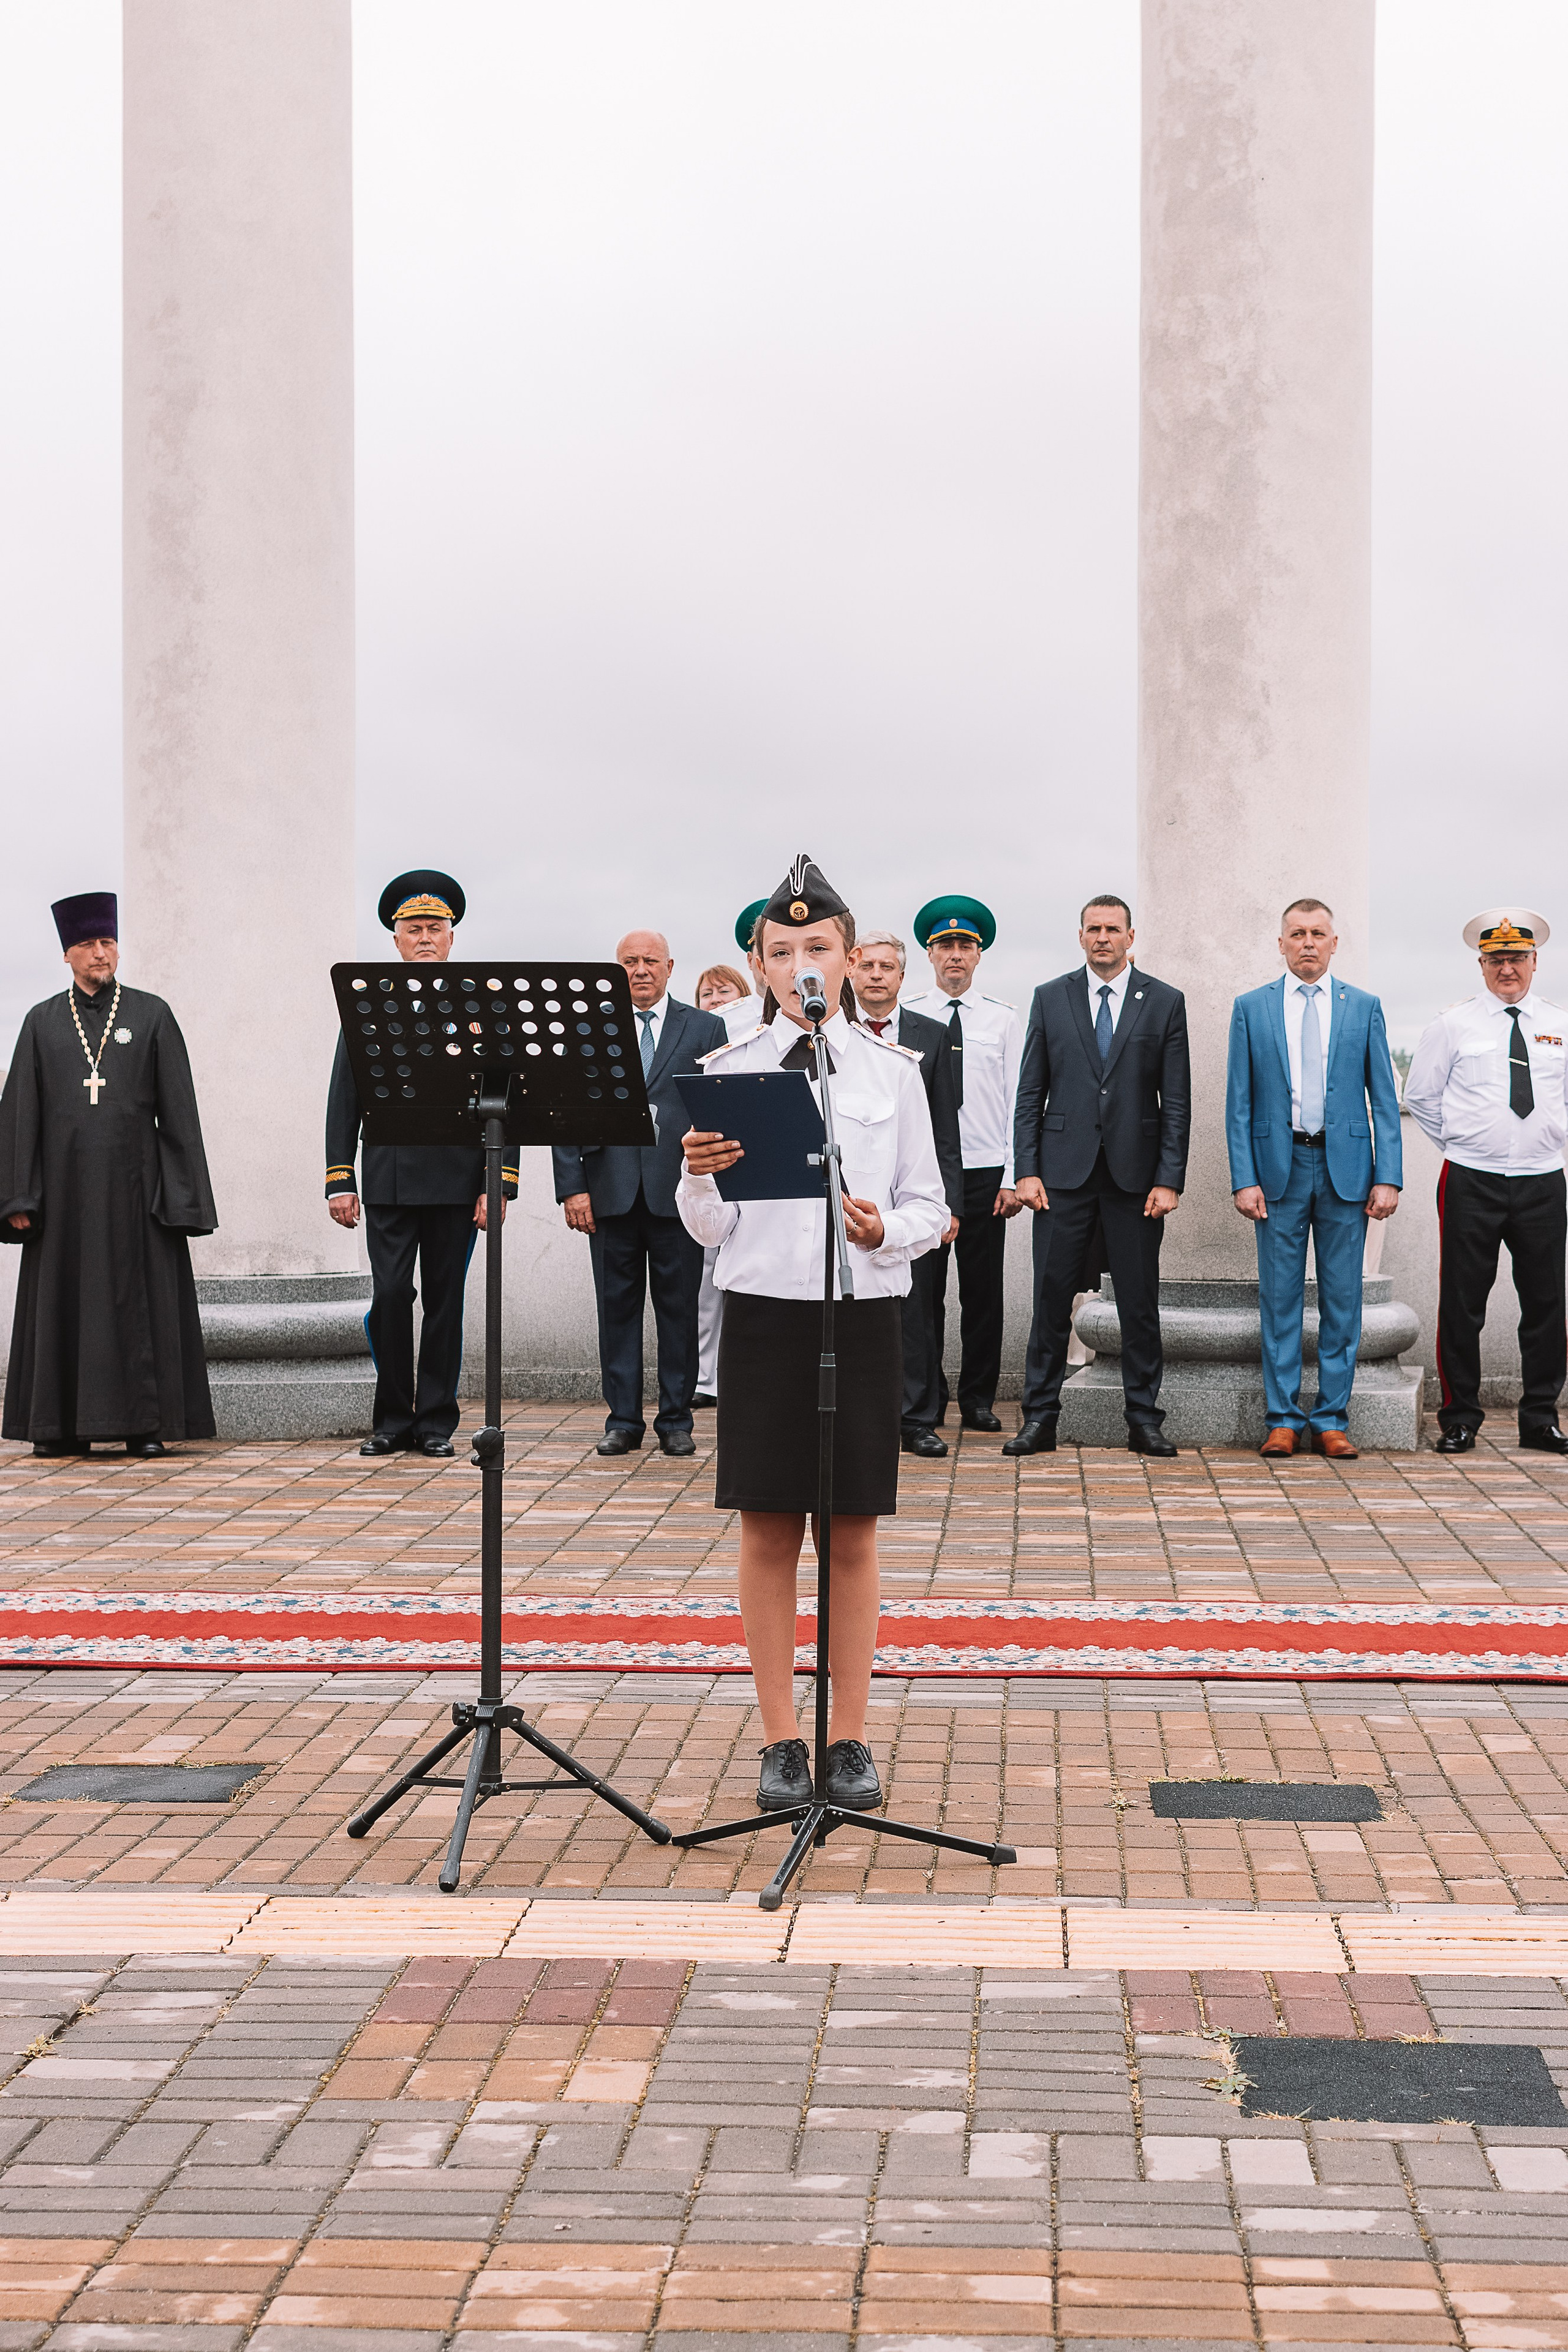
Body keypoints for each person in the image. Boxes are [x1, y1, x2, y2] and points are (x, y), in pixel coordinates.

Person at [679, 854, 948, 1814]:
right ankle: (781, 1740)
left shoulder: (893, 1071)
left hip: (861, 1313)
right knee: (766, 1530)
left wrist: (889, 1229)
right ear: (759, 964)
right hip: (764, 1317)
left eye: (819, 947)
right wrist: (699, 1176)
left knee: (852, 1531)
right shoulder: (725, 1072)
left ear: (846, 959)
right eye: (781, 948)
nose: (802, 962)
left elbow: (929, 1199)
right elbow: (707, 1231)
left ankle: (849, 1741)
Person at [0, 891, 216, 1458]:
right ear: (66, 955)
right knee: (65, 1303)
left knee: (136, 1302)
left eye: (107, 942)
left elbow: (180, 1111)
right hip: (64, 1196)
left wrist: (184, 1196)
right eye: (87, 945)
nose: (100, 954)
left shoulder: (151, 1014)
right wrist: (19, 1194)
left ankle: (145, 1426)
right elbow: (20, 1113)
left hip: (137, 1192)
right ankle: (57, 1428)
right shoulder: (41, 1022)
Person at [326, 870, 516, 1459]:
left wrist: (499, 1181)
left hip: (458, 1181)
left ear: (452, 938)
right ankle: (391, 1419)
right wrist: (340, 1178)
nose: (426, 937)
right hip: (389, 1177)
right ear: (396, 939)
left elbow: (506, 1097)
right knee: (389, 1298)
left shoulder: (482, 1005)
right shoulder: (370, 1005)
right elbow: (343, 1096)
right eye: (414, 929)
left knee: (445, 1302)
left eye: (436, 928)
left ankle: (435, 1420)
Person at [1007, 893, 1190, 1458]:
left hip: (1135, 1179)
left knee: (1138, 1303)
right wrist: (1027, 1171)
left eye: (1113, 929)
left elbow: (1177, 1101)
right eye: (1094, 929)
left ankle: (1144, 1418)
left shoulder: (1163, 1001)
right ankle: (1040, 1417)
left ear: (1131, 937)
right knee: (1050, 1298)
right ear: (1081, 936)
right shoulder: (1050, 998)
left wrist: (1170, 1178)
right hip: (1061, 1176)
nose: (1103, 938)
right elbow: (1030, 1093)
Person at [1226, 899, 1402, 1460]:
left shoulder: (1364, 1007)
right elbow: (1239, 1102)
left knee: (1343, 1300)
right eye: (1297, 934)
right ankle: (1281, 1419)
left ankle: (1330, 1418)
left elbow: (1384, 1101)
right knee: (1279, 1299)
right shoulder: (1252, 1008)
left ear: (1333, 942)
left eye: (1317, 934)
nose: (1307, 942)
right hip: (1279, 1169)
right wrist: (1243, 1178)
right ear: (1281, 943)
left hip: (1346, 1171)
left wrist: (1389, 1176)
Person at [554, 931, 726, 1457]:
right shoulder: (590, 1029)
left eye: (650, 961)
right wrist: (572, 1187)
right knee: (617, 1311)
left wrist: (714, 1186)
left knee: (679, 1310)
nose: (640, 970)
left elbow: (719, 1109)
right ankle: (623, 1419)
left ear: (670, 966)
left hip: (680, 1193)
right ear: (616, 969)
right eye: (629, 962)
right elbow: (566, 1110)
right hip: (608, 1192)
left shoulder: (704, 1028)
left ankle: (676, 1419)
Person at [1404, 907, 1568, 1457]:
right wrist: (1462, 1144)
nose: (1507, 968)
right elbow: (1422, 1098)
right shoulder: (1453, 1025)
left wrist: (1551, 1138)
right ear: (1481, 964)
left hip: (1542, 1181)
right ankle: (1459, 1419)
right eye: (1496, 959)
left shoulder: (1558, 1024)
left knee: (1546, 1303)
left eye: (1517, 958)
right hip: (1471, 1180)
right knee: (1462, 1302)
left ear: (1534, 962)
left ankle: (1540, 1418)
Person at [901, 896, 1023, 1431]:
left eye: (964, 946)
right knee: (924, 1294)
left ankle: (978, 1398)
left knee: (982, 1295)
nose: (955, 955)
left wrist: (1014, 1176)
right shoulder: (911, 1018)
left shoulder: (1002, 1019)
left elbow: (1020, 1098)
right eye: (945, 945)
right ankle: (927, 1392)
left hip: (983, 1174)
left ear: (979, 956)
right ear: (930, 956)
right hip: (924, 1172)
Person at [850, 929, 964, 1457]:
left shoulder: (933, 1034)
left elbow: (945, 1126)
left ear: (902, 976)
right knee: (858, 1313)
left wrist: (950, 1206)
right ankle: (865, 1414)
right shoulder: (834, 1031)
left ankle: (918, 1419)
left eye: (886, 967)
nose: (876, 975)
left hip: (915, 1197)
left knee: (918, 1309)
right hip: (854, 1196)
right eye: (867, 966)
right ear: (851, 971)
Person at [691, 960, 757, 1404]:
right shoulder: (701, 1034)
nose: (715, 1002)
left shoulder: (755, 1028)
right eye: (707, 995)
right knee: (706, 1281)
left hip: (750, 1161)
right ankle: (705, 1378)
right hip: (710, 1164)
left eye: (724, 992)